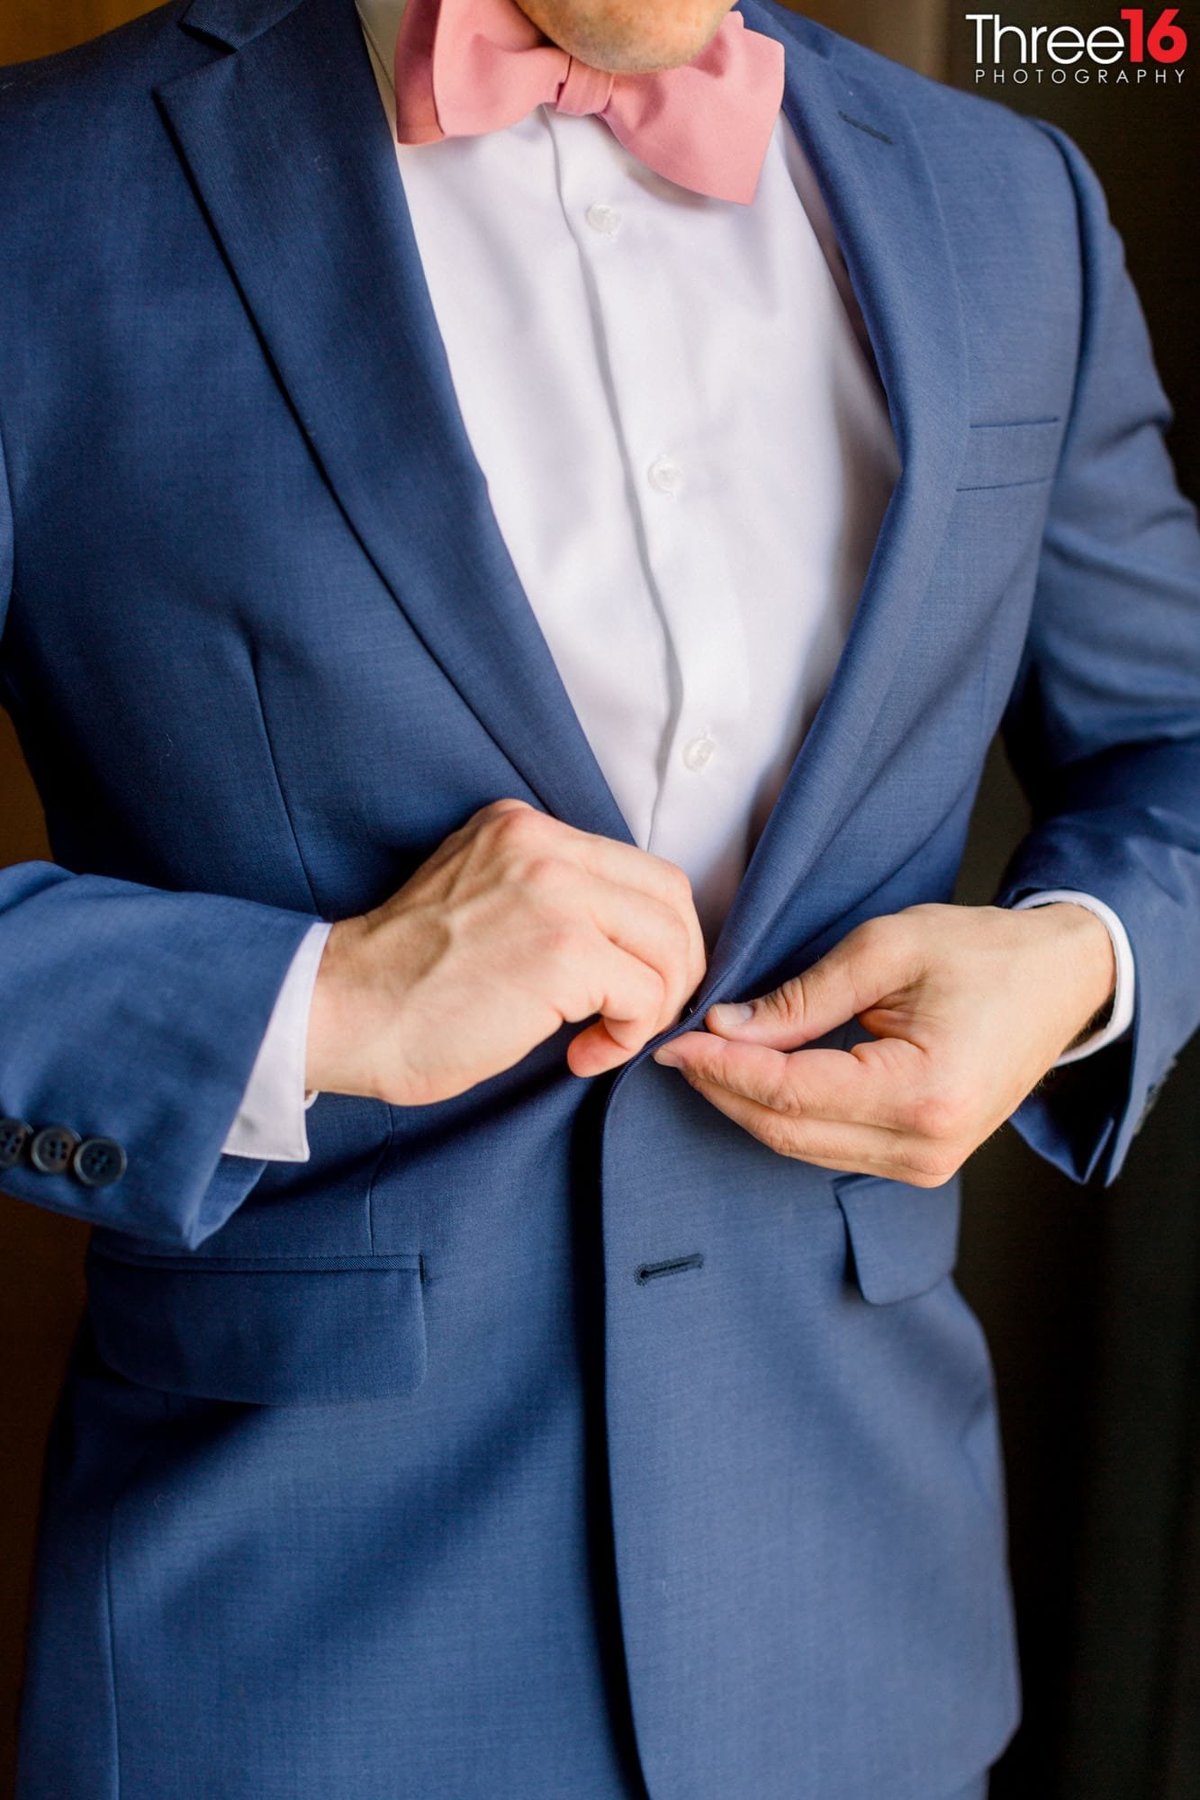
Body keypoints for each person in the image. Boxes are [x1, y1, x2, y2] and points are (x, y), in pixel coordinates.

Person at [1, 0, 1197, 1793]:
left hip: (861, 1641)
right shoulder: (39, 195)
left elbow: (1175, 733)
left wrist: (1077, 963)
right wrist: (317, 1006)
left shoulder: (1010, 198)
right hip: (282, 1662)